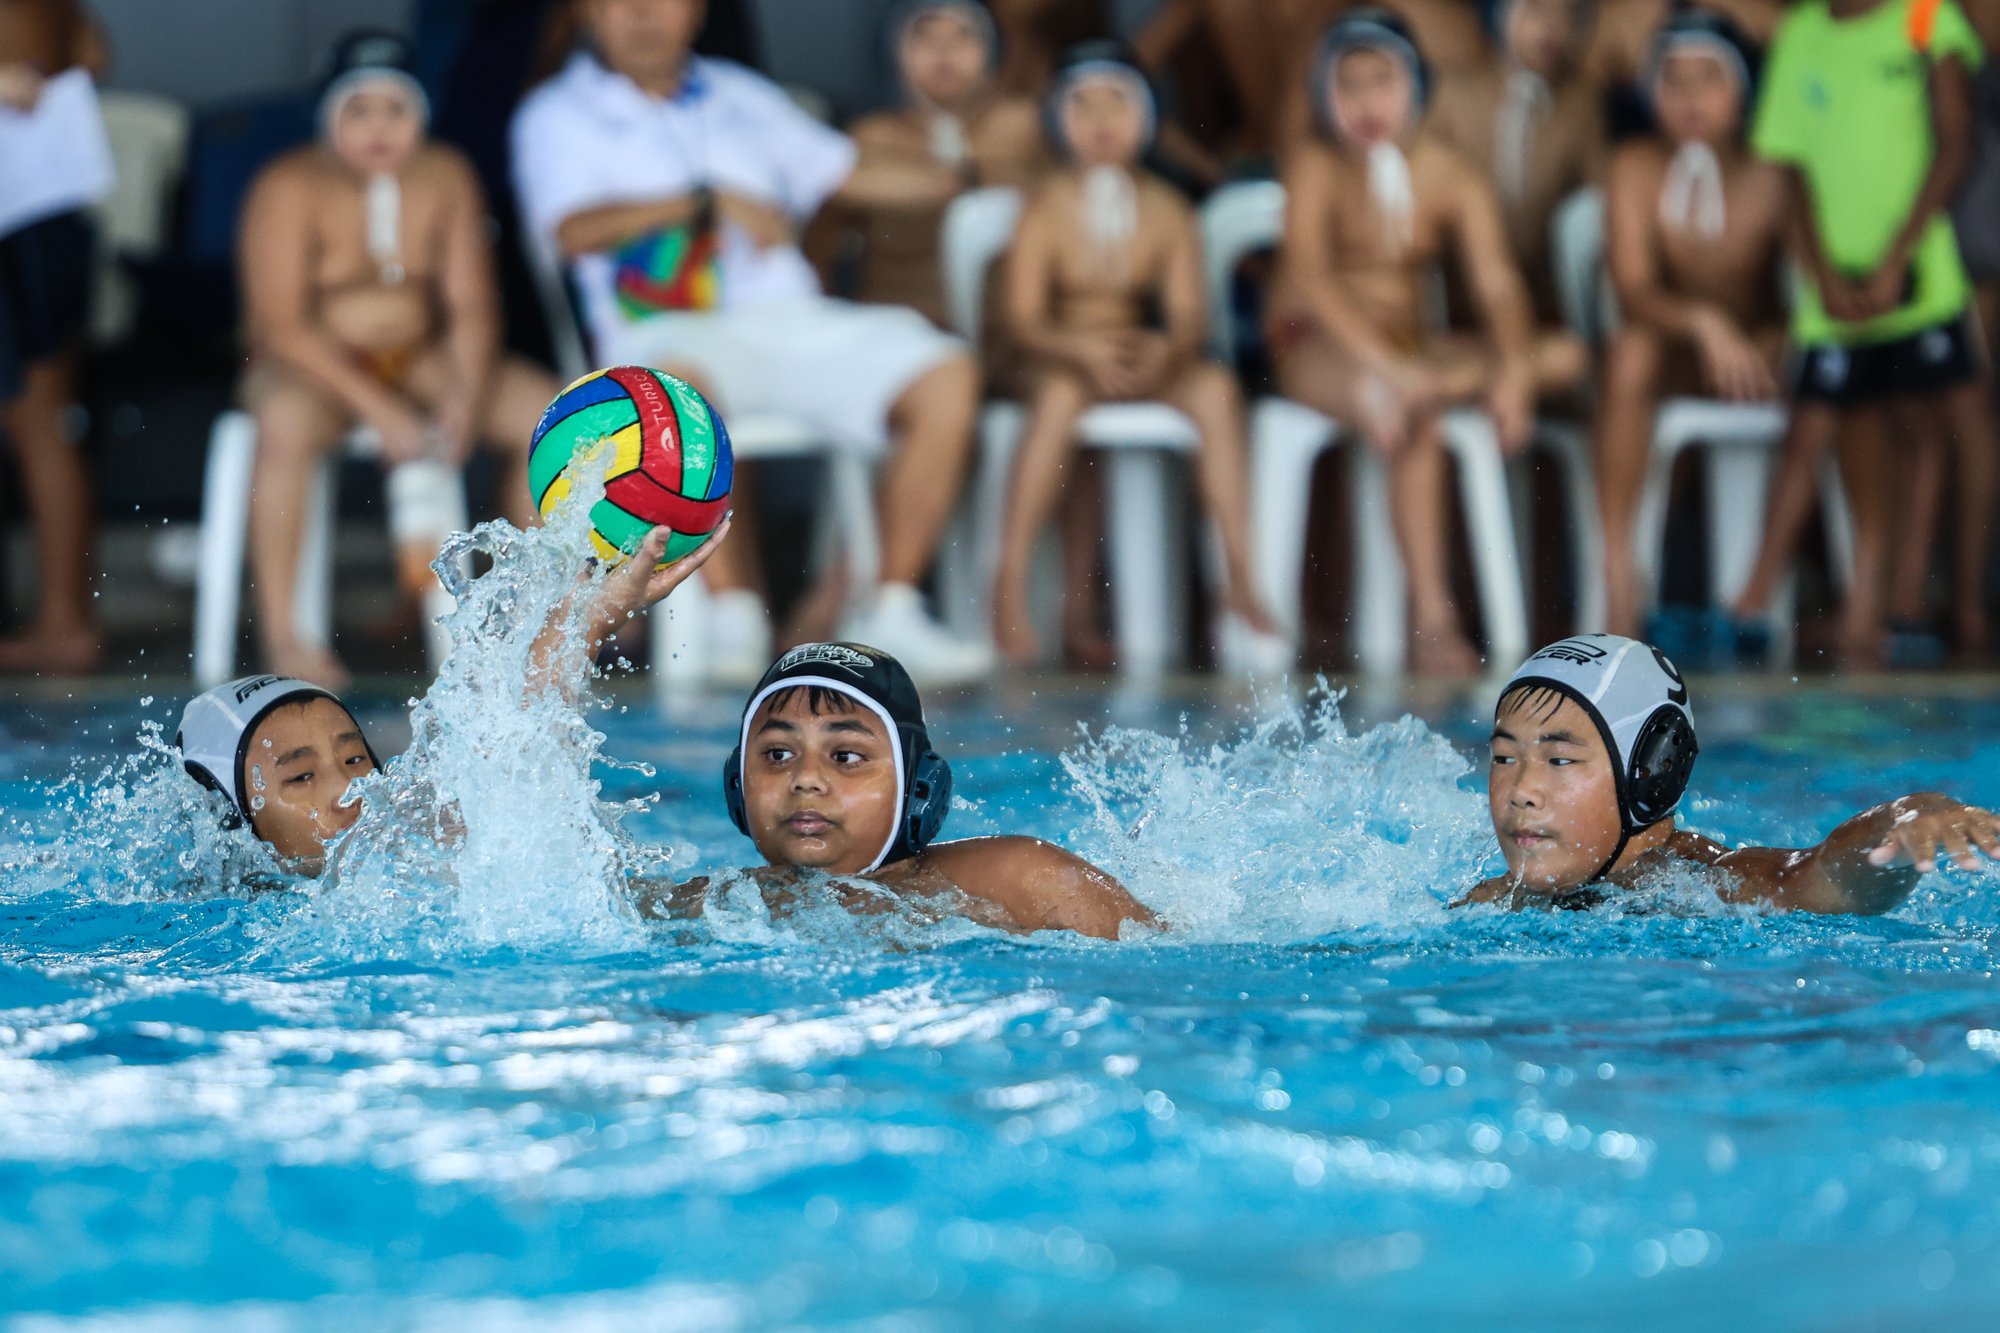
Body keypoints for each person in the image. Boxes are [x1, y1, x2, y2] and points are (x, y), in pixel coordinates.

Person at [510, 0, 991, 686]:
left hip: (787, 321)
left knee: (944, 369)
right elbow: (570, 230)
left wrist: (970, 179)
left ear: (697, 10)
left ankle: (890, 603)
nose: (643, 12)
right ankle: (731, 611)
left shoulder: (742, 95)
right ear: (587, 12)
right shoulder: (557, 112)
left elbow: (847, 172)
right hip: (662, 335)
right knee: (671, 395)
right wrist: (705, 202)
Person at [238, 31, 560, 690]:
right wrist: (380, 410)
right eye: (360, 111)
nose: (379, 129)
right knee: (282, 429)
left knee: (550, 418)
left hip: (419, 354)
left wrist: (465, 399)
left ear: (422, 116)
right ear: (329, 118)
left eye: (396, 110)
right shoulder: (286, 185)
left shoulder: (447, 175)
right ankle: (283, 631)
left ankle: (524, 627)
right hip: (314, 365)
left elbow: (472, 306)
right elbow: (281, 326)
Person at [1269, 9, 1586, 674]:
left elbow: (1498, 287)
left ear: (1415, 86)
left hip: (1416, 353)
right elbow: (1313, 281)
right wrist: (1386, 368)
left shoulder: (1448, 174)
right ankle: (1433, 620)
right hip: (1322, 347)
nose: (1366, 103)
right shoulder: (1316, 165)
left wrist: (1514, 372)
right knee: (1410, 409)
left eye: (1381, 82)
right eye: (1347, 86)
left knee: (1566, 355)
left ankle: (1429, 387)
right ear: (1323, 96)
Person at [178, 521, 727, 875]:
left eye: (354, 758)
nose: (349, 789)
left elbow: (519, 739)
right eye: (300, 777)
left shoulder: (416, 844)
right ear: (227, 822)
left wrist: (595, 613)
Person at [1726, 0, 1995, 666]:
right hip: (1834, 288)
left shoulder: (1927, 14)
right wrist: (1821, 274)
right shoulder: (1800, 33)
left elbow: (1955, 142)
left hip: (1920, 275)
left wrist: (1900, 253)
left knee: (1950, 426)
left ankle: (1957, 602)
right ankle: (1843, 607)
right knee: (1824, 425)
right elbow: (1789, 168)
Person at [991, 45, 1279, 666]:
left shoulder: (1168, 211)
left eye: (1116, 103)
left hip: (1135, 356)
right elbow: (1022, 319)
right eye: (1082, 105)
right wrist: (1077, 348)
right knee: (1062, 395)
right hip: (1060, 357)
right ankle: (1009, 583)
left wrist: (1163, 351)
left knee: (1216, 391)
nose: (1100, 121)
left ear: (1146, 120)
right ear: (1057, 121)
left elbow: (1188, 318)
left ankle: (1239, 573)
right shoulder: (1043, 206)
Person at [644, 640, 1158, 939]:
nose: (805, 777)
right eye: (777, 754)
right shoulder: (714, 904)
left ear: (919, 789)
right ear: (738, 786)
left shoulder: (1023, 880)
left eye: (846, 756)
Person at [1463, 633, 2000, 911]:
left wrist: (1919, 815)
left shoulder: (1704, 886)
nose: (1522, 791)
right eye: (1505, 757)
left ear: (1650, 775)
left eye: (1559, 760)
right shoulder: (1492, 902)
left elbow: (1820, 877)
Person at [1589, 11, 1790, 640]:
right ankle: (1620, 574)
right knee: (1631, 351)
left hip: (1759, 361)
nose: (1691, 99)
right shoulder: (1635, 166)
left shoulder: (1775, 174)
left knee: (1844, 371)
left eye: (1710, 80)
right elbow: (1633, 290)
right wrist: (1705, 323)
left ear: (1745, 93)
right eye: (1673, 82)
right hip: (1677, 356)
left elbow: (1806, 298)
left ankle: (1776, 590)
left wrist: (1762, 341)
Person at [0, 0, 111, 674]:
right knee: (46, 421)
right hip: (41, 209)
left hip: (23, 209)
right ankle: (64, 618)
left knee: (41, 419)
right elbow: (95, 53)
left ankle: (66, 621)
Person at [843, 0, 1047, 329]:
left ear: (993, 52)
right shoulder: (872, 138)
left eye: (963, 36)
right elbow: (826, 232)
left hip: (1005, 331)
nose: (944, 51)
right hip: (901, 327)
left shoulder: (1023, 125)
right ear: (895, 51)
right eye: (924, 36)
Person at [1429, 0, 1604, 326]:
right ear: (1499, 14)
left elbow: (1595, 205)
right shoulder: (1453, 90)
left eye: (1566, 14)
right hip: (1458, 287)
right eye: (1536, 10)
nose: (1551, 27)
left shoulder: (1581, 100)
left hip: (1542, 293)